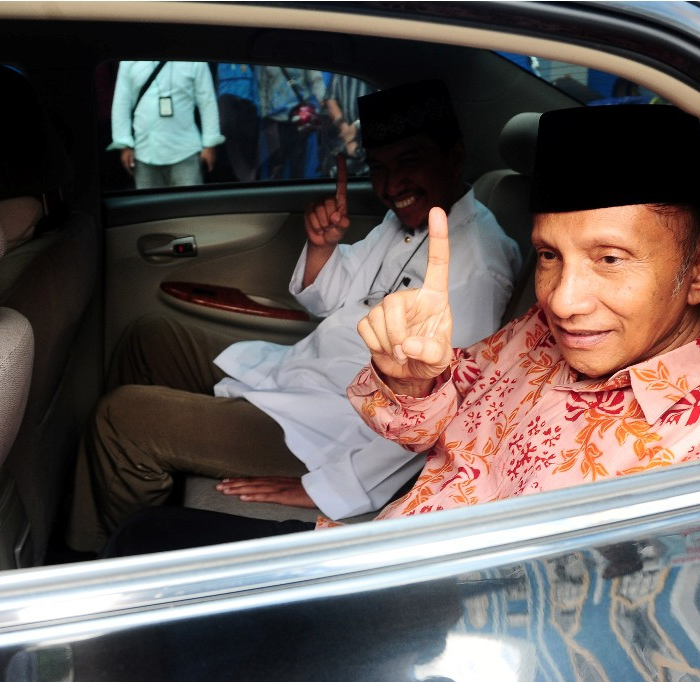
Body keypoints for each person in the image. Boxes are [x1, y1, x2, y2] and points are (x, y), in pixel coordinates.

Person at [101, 104, 700, 556]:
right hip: (381, 545)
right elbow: (437, 410)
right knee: (143, 539)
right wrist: (410, 382)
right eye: (549, 256)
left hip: (421, 611)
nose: (564, 300)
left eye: (610, 259)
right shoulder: (540, 332)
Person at [67, 80, 521, 554]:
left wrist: (329, 487)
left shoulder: (479, 268)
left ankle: (92, 560)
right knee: (149, 337)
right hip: (303, 374)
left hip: (329, 431)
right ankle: (136, 496)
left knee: (121, 419)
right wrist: (323, 247)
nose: (390, 186)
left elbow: (443, 412)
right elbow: (340, 299)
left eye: (409, 161)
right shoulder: (404, 223)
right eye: (379, 168)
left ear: (454, 156)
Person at [108, 61, 224, 189]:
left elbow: (207, 102)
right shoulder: (129, 60)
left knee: (189, 202)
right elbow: (121, 103)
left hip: (186, 152)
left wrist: (209, 144)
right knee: (149, 202)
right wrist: (124, 144)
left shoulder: (193, 58)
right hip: (144, 153)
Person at [258, 66, 325, 180]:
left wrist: (324, 104)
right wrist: (264, 115)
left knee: (299, 163)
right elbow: (263, 86)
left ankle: (297, 188)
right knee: (276, 164)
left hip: (299, 117)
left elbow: (316, 80)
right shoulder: (267, 62)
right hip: (275, 119)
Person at [320, 73, 375, 177]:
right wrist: (345, 130)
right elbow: (331, 100)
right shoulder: (340, 72)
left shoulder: (372, 69)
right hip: (345, 138)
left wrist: (356, 127)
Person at [216, 63, 260, 182]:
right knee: (232, 145)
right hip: (227, 105)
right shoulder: (218, 64)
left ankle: (248, 179)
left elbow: (256, 85)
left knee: (249, 149)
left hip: (248, 108)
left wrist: (257, 110)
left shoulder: (251, 64)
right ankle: (246, 179)